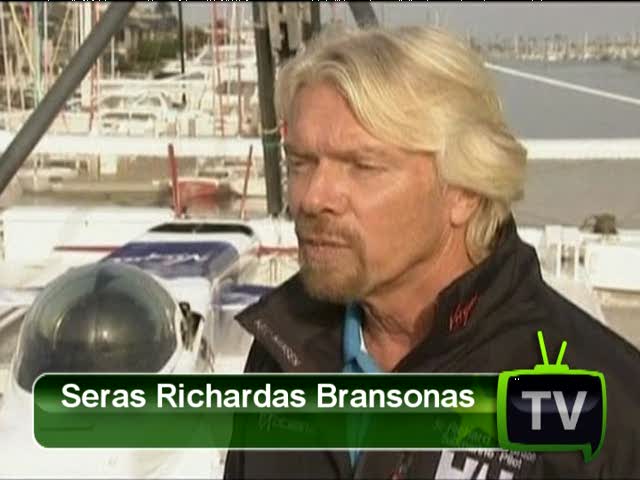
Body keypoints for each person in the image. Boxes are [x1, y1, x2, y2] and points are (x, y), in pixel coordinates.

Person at [224, 25, 640, 479]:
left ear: (463, 190)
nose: (311, 198)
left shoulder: (612, 409)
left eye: (362, 166)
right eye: (301, 163)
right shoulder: (282, 348)